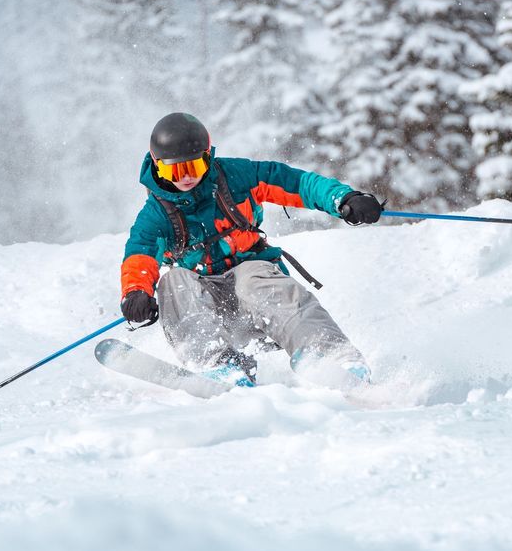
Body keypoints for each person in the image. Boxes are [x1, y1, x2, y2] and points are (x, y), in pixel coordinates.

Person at [119, 112, 385, 387]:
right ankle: (219, 366)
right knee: (174, 281)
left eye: (194, 167)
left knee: (253, 276)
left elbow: (295, 182)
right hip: (206, 305)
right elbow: (140, 252)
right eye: (174, 171)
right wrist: (136, 292)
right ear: (157, 166)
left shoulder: (237, 177)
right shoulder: (155, 214)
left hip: (258, 291)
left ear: (208, 158)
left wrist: (343, 198)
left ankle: (330, 355)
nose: (186, 178)